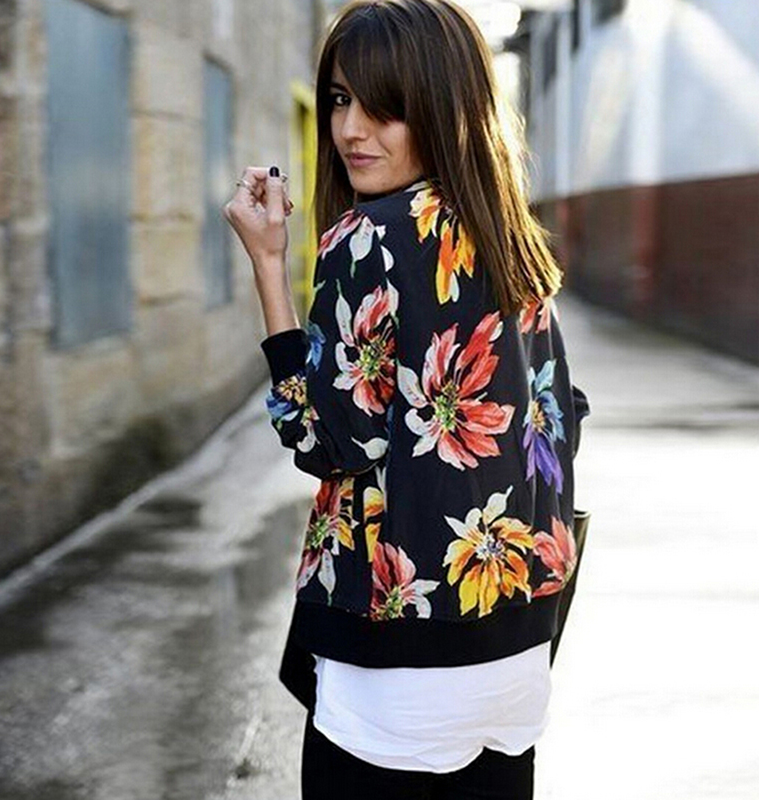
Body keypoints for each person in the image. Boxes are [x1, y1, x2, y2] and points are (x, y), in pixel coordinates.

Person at [222, 1, 590, 797]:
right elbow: (560, 421)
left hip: (398, 662)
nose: (352, 130)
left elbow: (325, 441)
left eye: (385, 107)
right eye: (340, 99)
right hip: (515, 657)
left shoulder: (369, 238)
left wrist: (269, 269)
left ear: (443, 107)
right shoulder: (512, 241)